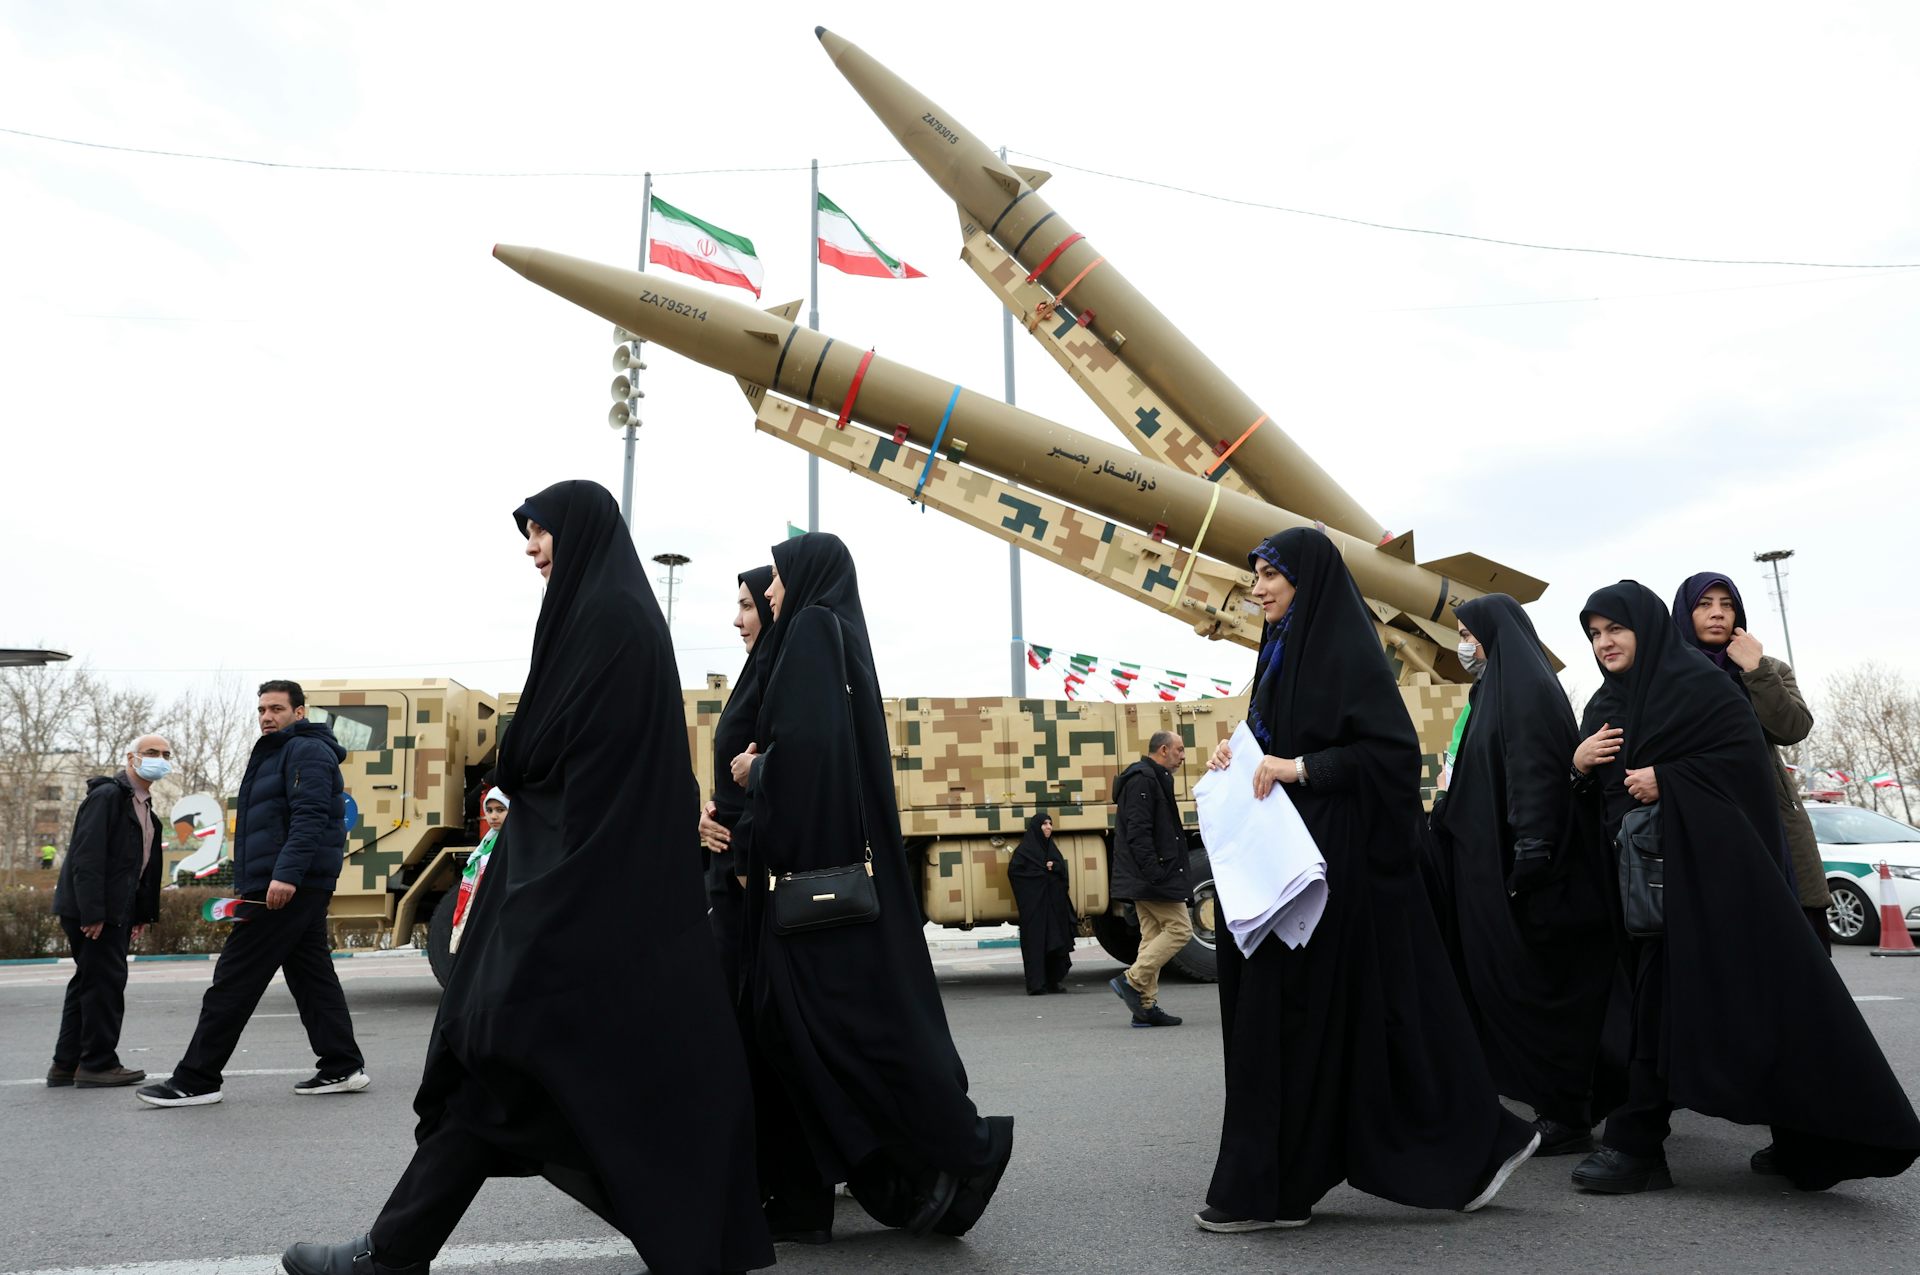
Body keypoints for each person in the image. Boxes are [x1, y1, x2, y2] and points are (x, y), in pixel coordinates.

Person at [282, 481, 772, 1275]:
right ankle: (395, 1251)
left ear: (579, 534)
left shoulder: (609, 625)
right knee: (527, 1080)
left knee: (512, 1063)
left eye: (541, 531)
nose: (532, 546)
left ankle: (391, 1253)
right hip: (585, 893)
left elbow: (553, 758)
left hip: (579, 898)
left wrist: (542, 883)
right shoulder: (609, 619)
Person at [1198, 528, 1539, 1233]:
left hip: (1330, 874)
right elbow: (1280, 737)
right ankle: (1282, 1178)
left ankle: (1275, 1187)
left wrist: (1303, 768)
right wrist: (1240, 752)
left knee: (1305, 1022)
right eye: (1256, 573)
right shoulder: (1279, 650)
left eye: (1270, 574)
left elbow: (1386, 753)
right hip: (1284, 867)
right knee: (1319, 1023)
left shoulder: (1344, 651)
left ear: (1308, 580)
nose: (1258, 586)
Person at [1567, 581, 1920, 1194]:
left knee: (1756, 1005)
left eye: (1614, 629)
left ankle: (1654, 1143)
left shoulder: (1701, 689)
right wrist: (1578, 766)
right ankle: (1647, 1141)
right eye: (1595, 634)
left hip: (1716, 884)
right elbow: (1596, 797)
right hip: (1644, 891)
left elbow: (1745, 772)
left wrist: (1670, 782)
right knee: (1668, 1009)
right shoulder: (1608, 701)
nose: (1604, 643)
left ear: (1646, 628)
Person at [731, 531, 1014, 1244]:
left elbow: (813, 754)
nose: (767, 593)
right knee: (801, 1033)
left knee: (834, 1033)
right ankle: (839, 1187)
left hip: (814, 890)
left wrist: (755, 772)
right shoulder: (832, 631)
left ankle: (963, 1152)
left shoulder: (815, 634)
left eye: (775, 580)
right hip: (820, 882)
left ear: (807, 577)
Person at [1425, 595, 1615, 1156]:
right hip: (1488, 865)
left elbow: (1534, 775)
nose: (1463, 644)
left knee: (1534, 989)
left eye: (1469, 632)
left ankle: (1565, 1113)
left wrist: (1530, 855)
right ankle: (1548, 1101)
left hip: (1521, 872)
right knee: (1500, 986)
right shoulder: (1490, 691)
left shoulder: (1524, 691)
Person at [139, 682, 366, 1108]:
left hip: (286, 885)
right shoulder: (276, 751)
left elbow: (311, 816)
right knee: (311, 977)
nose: (266, 716)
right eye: (261, 709)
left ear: (300, 712)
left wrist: (285, 876)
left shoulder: (307, 752)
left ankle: (197, 1078)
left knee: (234, 978)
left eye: (277, 708)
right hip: (290, 881)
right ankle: (342, 1065)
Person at [1672, 572, 1831, 948]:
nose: (1717, 614)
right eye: (1705, 604)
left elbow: (1792, 728)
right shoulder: (1665, 675)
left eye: (1727, 605)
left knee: (1798, 958)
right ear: (1683, 612)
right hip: (1704, 825)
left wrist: (1755, 670)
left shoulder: (1768, 667)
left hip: (1772, 820)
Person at [47, 734, 169, 1089]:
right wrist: (93, 913)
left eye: (165, 754)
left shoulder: (143, 804)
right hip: (97, 911)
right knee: (105, 986)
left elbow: (138, 867)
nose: (159, 758)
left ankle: (66, 1065)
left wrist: (141, 914)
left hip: (115, 910)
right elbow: (87, 857)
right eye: (151, 753)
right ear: (131, 758)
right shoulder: (108, 796)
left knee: (88, 983)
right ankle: (98, 1064)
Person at [697, 566, 776, 994]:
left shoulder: (775, 676)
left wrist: (743, 855)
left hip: (748, 867)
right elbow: (736, 774)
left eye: (747, 606)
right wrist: (710, 813)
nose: (737, 619)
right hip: (729, 862)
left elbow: (779, 767)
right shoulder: (754, 674)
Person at [1107, 731, 1192, 1027]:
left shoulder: (1154, 777)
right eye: (1180, 750)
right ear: (1164, 749)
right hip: (1151, 875)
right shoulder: (1144, 779)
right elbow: (1138, 832)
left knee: (1153, 935)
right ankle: (1131, 980)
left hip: (1148, 874)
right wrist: (1154, 873)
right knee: (1180, 929)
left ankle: (1144, 1007)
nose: (1183, 756)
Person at [1008, 812, 1077, 995]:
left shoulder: (1052, 849)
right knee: (1036, 943)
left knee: (1055, 941)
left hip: (1053, 909)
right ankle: (1037, 984)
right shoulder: (1024, 852)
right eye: (1044, 824)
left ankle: (1053, 982)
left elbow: (1063, 873)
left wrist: (1054, 867)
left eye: (1050, 824)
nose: (1048, 827)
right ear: (1036, 828)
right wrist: (1041, 875)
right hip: (1035, 910)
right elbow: (1016, 874)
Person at [446, 788, 507, 954]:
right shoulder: (487, 842)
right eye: (489, 810)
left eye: (501, 810)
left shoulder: (512, 841)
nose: (493, 816)